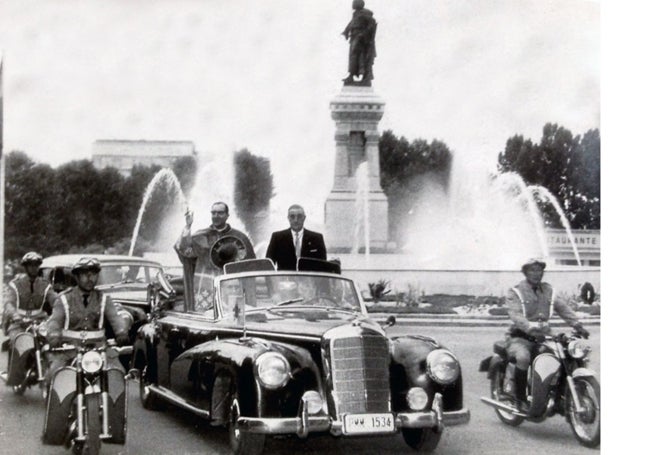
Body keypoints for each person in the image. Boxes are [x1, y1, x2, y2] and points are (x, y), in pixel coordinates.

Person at [505, 258, 590, 409]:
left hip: (545, 336)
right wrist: (529, 326)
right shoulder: (516, 291)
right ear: (525, 272)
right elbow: (515, 315)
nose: (536, 274)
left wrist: (577, 325)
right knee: (523, 358)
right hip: (521, 337)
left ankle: (561, 393)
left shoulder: (548, 291)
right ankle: (520, 399)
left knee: (566, 354)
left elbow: (563, 308)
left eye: (539, 270)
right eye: (532, 270)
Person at [44, 258, 131, 386]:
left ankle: (113, 405)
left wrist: (121, 332)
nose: (90, 278)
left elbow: (115, 317)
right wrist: (54, 336)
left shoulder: (104, 299)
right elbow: (55, 321)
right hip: (69, 349)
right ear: (77, 277)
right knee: (55, 374)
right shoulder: (64, 299)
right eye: (85, 274)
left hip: (99, 348)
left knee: (118, 373)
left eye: (94, 274)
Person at [2, 252, 57, 378]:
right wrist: (15, 315)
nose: (34, 268)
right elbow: (9, 303)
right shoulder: (16, 284)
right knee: (18, 340)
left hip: (39, 321)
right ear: (25, 267)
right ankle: (14, 373)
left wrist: (62, 308)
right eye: (30, 265)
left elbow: (55, 300)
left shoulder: (45, 285)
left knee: (53, 340)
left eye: (36, 265)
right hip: (19, 322)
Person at [175, 201, 255, 276]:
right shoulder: (200, 236)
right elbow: (185, 251)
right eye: (213, 213)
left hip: (231, 282)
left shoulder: (240, 237)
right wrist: (188, 226)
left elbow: (251, 264)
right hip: (206, 282)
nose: (216, 216)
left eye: (220, 213)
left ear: (227, 215)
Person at [266, 205, 327, 271]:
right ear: (288, 218)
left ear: (304, 218)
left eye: (299, 216)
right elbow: (268, 265)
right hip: (285, 280)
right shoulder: (277, 238)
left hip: (309, 280)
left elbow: (323, 266)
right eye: (292, 216)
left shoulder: (317, 238)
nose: (296, 220)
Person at [341, 0, 377, 86]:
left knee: (361, 57)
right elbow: (351, 24)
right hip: (354, 37)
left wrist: (363, 34)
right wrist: (346, 31)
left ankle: (366, 77)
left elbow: (372, 25)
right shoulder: (356, 14)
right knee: (353, 57)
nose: (352, 5)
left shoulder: (366, 14)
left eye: (354, 3)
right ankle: (351, 75)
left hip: (361, 40)